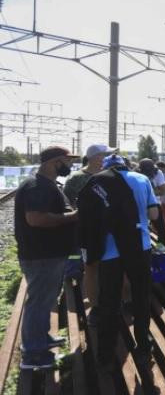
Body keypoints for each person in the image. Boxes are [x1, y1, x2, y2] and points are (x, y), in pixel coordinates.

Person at [77, 154, 158, 369]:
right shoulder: (142, 179)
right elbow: (154, 214)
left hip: (109, 251)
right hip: (139, 247)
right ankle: (143, 345)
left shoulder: (98, 182)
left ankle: (105, 355)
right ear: (125, 165)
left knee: (109, 301)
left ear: (106, 168)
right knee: (140, 296)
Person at [15, 146, 79, 369]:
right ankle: (33, 356)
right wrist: (72, 217)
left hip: (48, 254)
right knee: (39, 303)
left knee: (45, 300)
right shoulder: (37, 186)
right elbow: (35, 219)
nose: (70, 166)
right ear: (55, 162)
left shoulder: (46, 184)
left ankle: (41, 339)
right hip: (41, 255)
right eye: (67, 161)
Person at [63, 143, 116, 327]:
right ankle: (94, 307)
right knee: (90, 267)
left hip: (108, 230)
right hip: (87, 231)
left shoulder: (108, 175)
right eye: (105, 155)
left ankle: (108, 299)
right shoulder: (76, 178)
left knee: (106, 266)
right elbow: (67, 202)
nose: (108, 159)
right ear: (96, 157)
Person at [138, 158, 165, 252]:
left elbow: (163, 191)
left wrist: (148, 191)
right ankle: (141, 249)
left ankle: (160, 248)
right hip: (140, 203)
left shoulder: (158, 172)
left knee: (161, 229)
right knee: (139, 227)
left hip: (154, 203)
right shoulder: (136, 173)